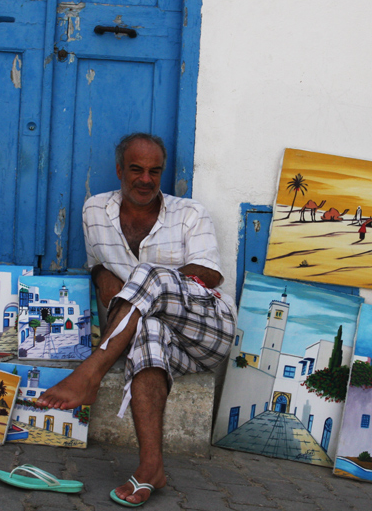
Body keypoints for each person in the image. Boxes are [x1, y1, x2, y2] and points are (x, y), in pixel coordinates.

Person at [36, 133, 235, 507]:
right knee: (149, 329)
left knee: (151, 274)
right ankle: (150, 468)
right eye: (136, 170)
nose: (145, 179)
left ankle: (90, 374)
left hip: (207, 331)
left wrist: (147, 282)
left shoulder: (190, 213)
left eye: (154, 171)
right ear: (119, 170)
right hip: (160, 338)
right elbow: (99, 266)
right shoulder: (95, 210)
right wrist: (102, 277)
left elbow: (209, 275)